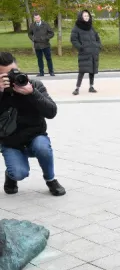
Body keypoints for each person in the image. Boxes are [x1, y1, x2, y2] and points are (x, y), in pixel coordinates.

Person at [0, 52, 65, 196]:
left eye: (13, 72)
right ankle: (11, 174)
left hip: (35, 136)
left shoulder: (33, 84)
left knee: (43, 148)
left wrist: (32, 93)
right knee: (19, 173)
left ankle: (51, 180)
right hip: (11, 142)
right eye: (6, 75)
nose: (12, 77)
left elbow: (51, 112)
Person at [70, 10, 101, 95]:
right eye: (85, 16)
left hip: (93, 52)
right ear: (81, 17)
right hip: (84, 52)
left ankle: (91, 86)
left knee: (92, 70)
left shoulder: (91, 27)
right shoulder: (77, 27)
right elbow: (73, 39)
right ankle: (77, 88)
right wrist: (81, 48)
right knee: (82, 71)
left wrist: (98, 46)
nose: (87, 17)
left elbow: (97, 37)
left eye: (88, 16)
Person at [27, 13, 55, 77]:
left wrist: (45, 38)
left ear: (40, 18)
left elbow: (51, 33)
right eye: (35, 18)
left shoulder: (46, 24)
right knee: (39, 59)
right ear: (34, 19)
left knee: (48, 58)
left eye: (38, 18)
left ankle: (51, 72)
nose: (37, 19)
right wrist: (33, 39)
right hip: (37, 45)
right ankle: (41, 73)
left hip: (46, 45)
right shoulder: (32, 25)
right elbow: (29, 34)